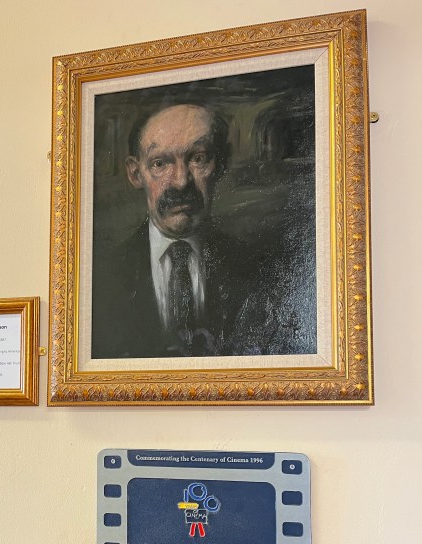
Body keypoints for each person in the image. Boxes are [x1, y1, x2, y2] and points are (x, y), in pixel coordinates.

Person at [91, 100, 315, 359]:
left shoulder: (261, 271)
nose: (181, 181)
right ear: (135, 173)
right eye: (160, 163)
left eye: (198, 158)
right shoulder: (101, 278)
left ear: (219, 165)